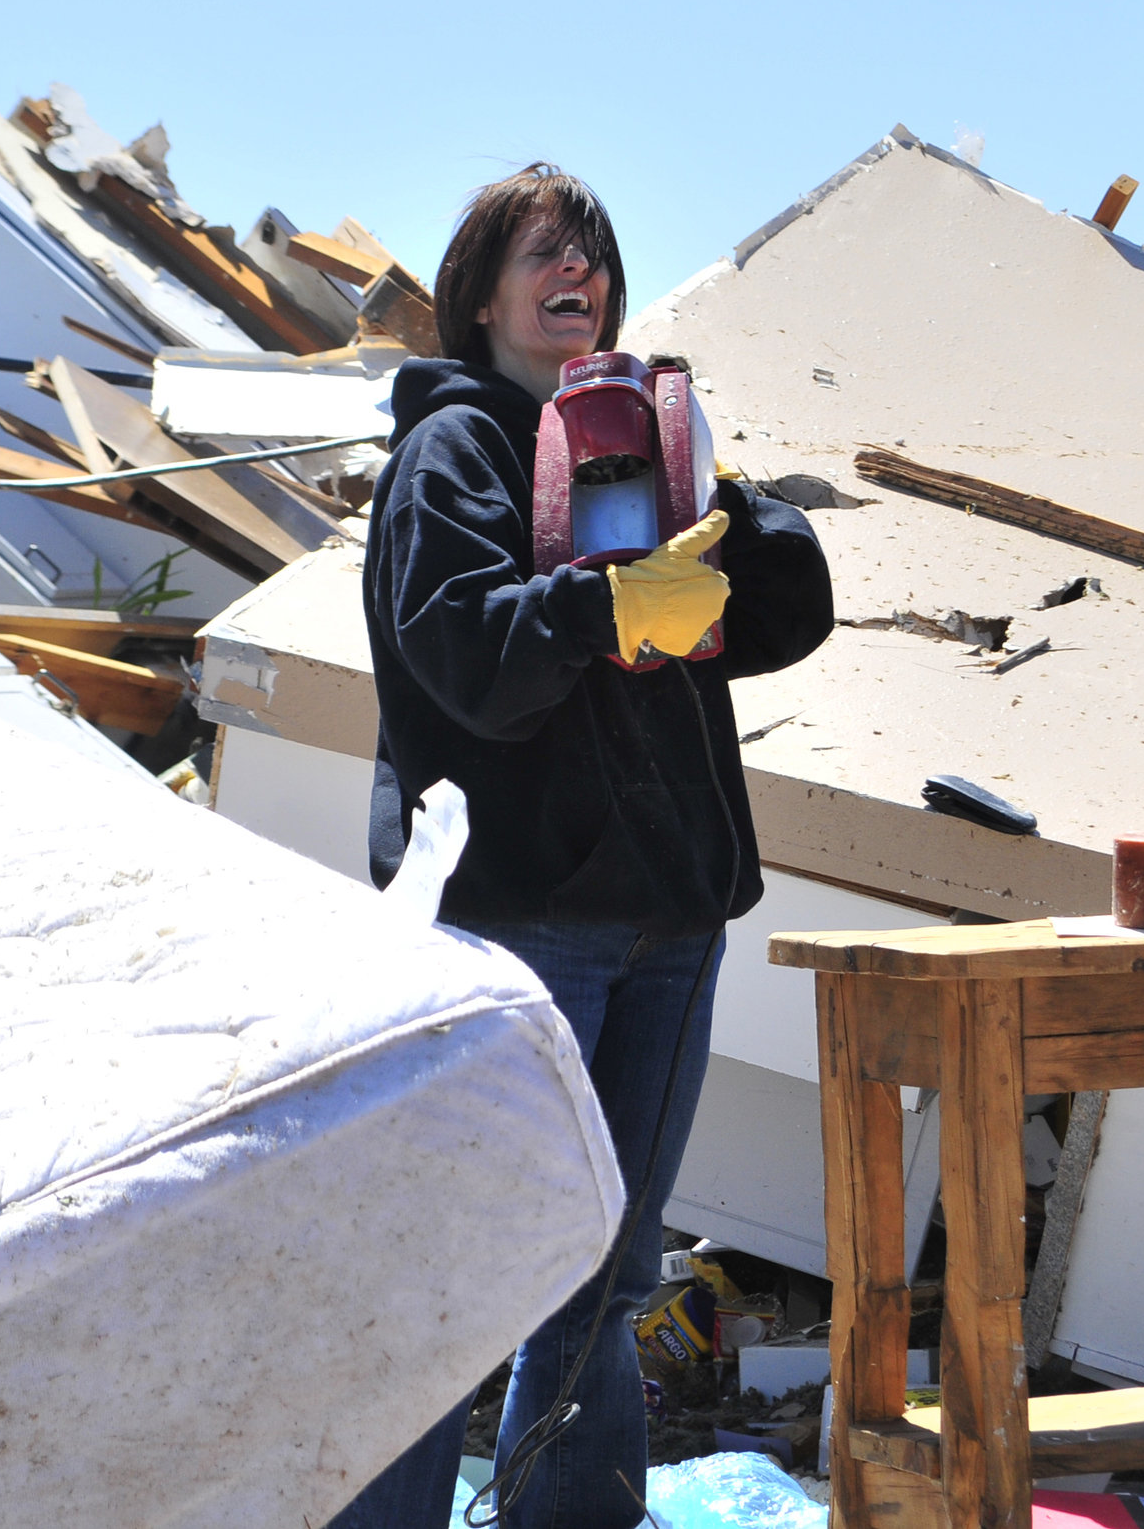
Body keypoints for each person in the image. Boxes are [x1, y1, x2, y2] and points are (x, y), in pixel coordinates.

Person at [338, 164, 833, 1529]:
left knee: (604, 1275)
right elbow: (469, 661)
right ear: (480, 293)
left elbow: (778, 619)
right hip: (522, 923)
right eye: (545, 251)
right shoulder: (459, 452)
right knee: (459, 1267)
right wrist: (606, 605)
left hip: (671, 923)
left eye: (595, 254)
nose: (581, 271)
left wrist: (730, 495)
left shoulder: (628, 440)